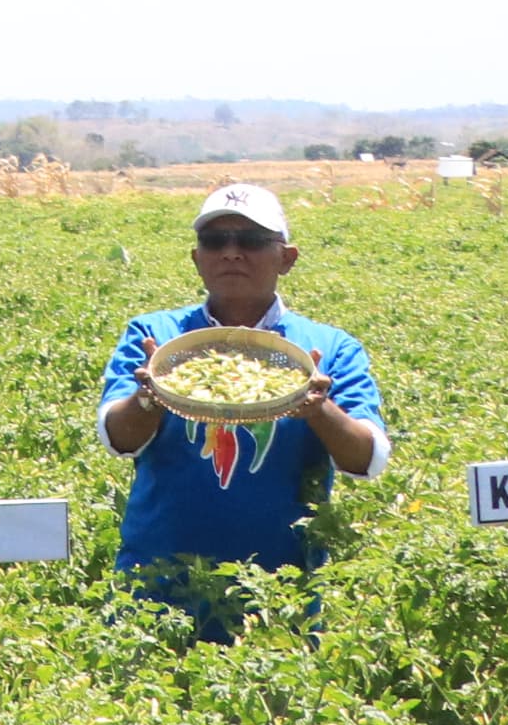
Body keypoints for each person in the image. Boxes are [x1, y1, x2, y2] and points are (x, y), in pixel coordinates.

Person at [98, 182, 388, 635]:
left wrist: (318, 407)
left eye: (251, 241)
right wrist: (147, 397)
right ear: (197, 259)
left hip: (281, 593)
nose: (231, 253)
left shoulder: (328, 348)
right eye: (215, 242)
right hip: (158, 588)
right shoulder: (155, 335)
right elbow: (117, 438)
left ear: (287, 258)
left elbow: (367, 459)